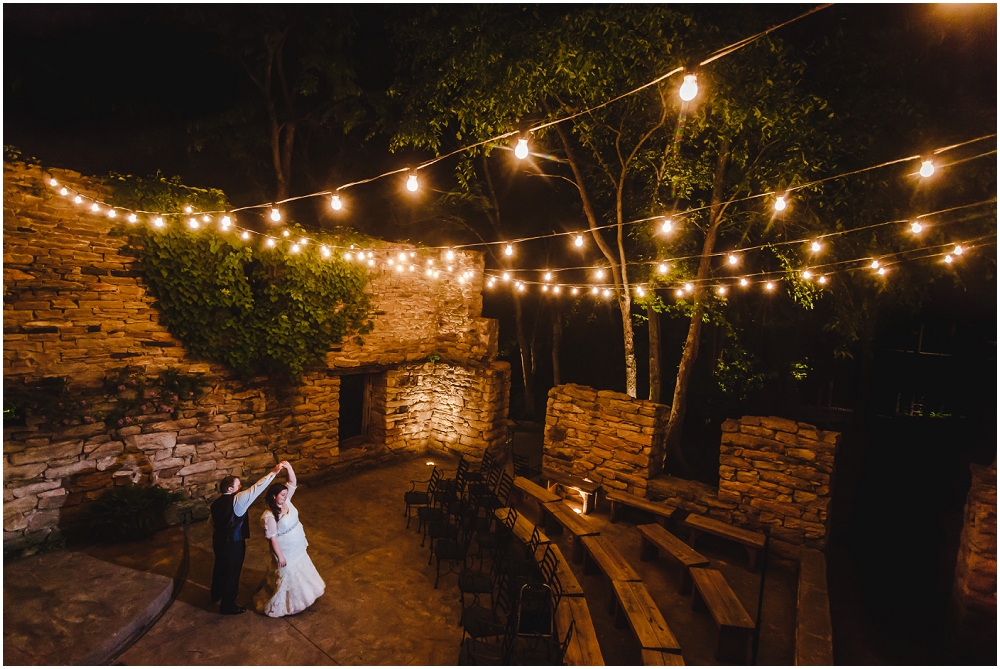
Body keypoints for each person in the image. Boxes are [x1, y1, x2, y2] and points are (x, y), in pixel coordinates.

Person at [210, 461, 287, 615]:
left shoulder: (215, 503)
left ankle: (215, 594)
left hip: (218, 541)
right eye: (238, 485)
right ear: (230, 489)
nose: (241, 487)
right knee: (232, 573)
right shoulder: (237, 500)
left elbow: (211, 523)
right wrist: (273, 472)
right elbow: (256, 488)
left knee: (219, 567)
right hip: (233, 544)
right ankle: (228, 605)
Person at [253, 462, 326, 617]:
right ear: (274, 497)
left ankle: (303, 597)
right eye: (283, 495)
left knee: (300, 569)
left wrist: (289, 468)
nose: (286, 497)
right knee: (288, 574)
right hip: (285, 549)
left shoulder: (286, 501)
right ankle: (286, 603)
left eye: (286, 494)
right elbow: (272, 539)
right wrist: (280, 556)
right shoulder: (269, 516)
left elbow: (292, 483)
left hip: (297, 544)